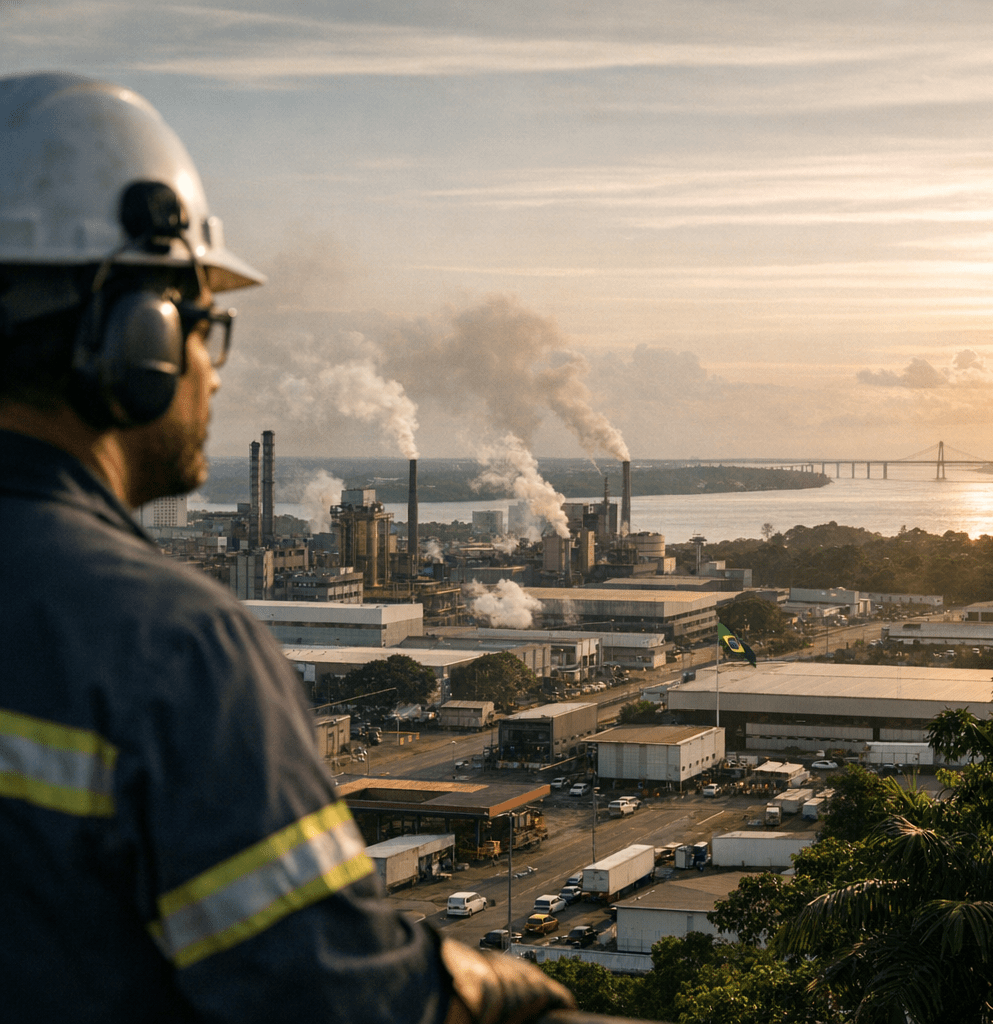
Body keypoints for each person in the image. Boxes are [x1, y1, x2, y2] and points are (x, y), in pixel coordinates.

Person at [0, 72, 573, 1024]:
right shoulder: (166, 648)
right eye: (207, 328)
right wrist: (476, 983)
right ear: (139, 336)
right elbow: (338, 995)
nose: (216, 377)